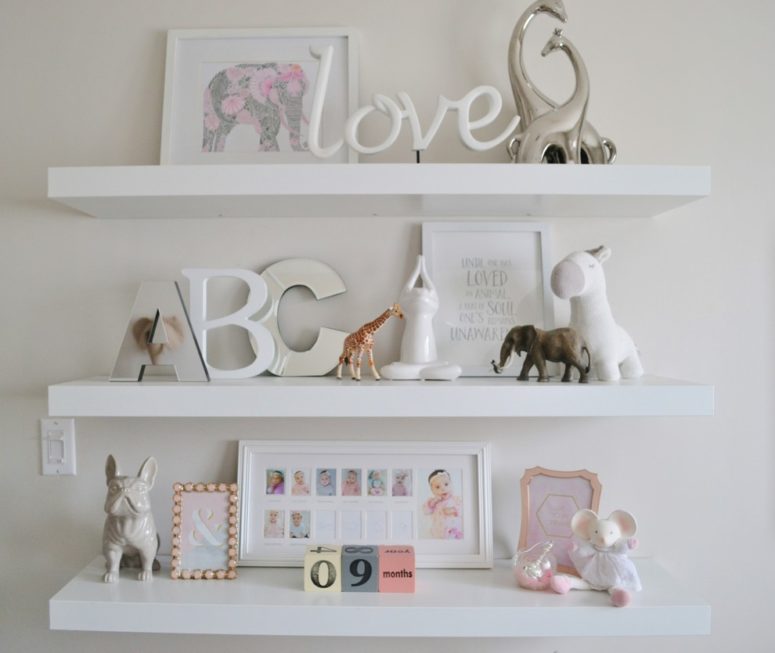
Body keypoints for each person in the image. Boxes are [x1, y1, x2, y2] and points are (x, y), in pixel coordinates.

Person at [422, 469, 463, 539]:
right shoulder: (433, 501)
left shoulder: (456, 499)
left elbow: (464, 510)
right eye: (438, 487)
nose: (443, 489)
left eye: (446, 484)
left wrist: (454, 510)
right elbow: (425, 511)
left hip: (453, 532)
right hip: (438, 532)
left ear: (451, 484)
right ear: (432, 490)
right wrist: (433, 502)